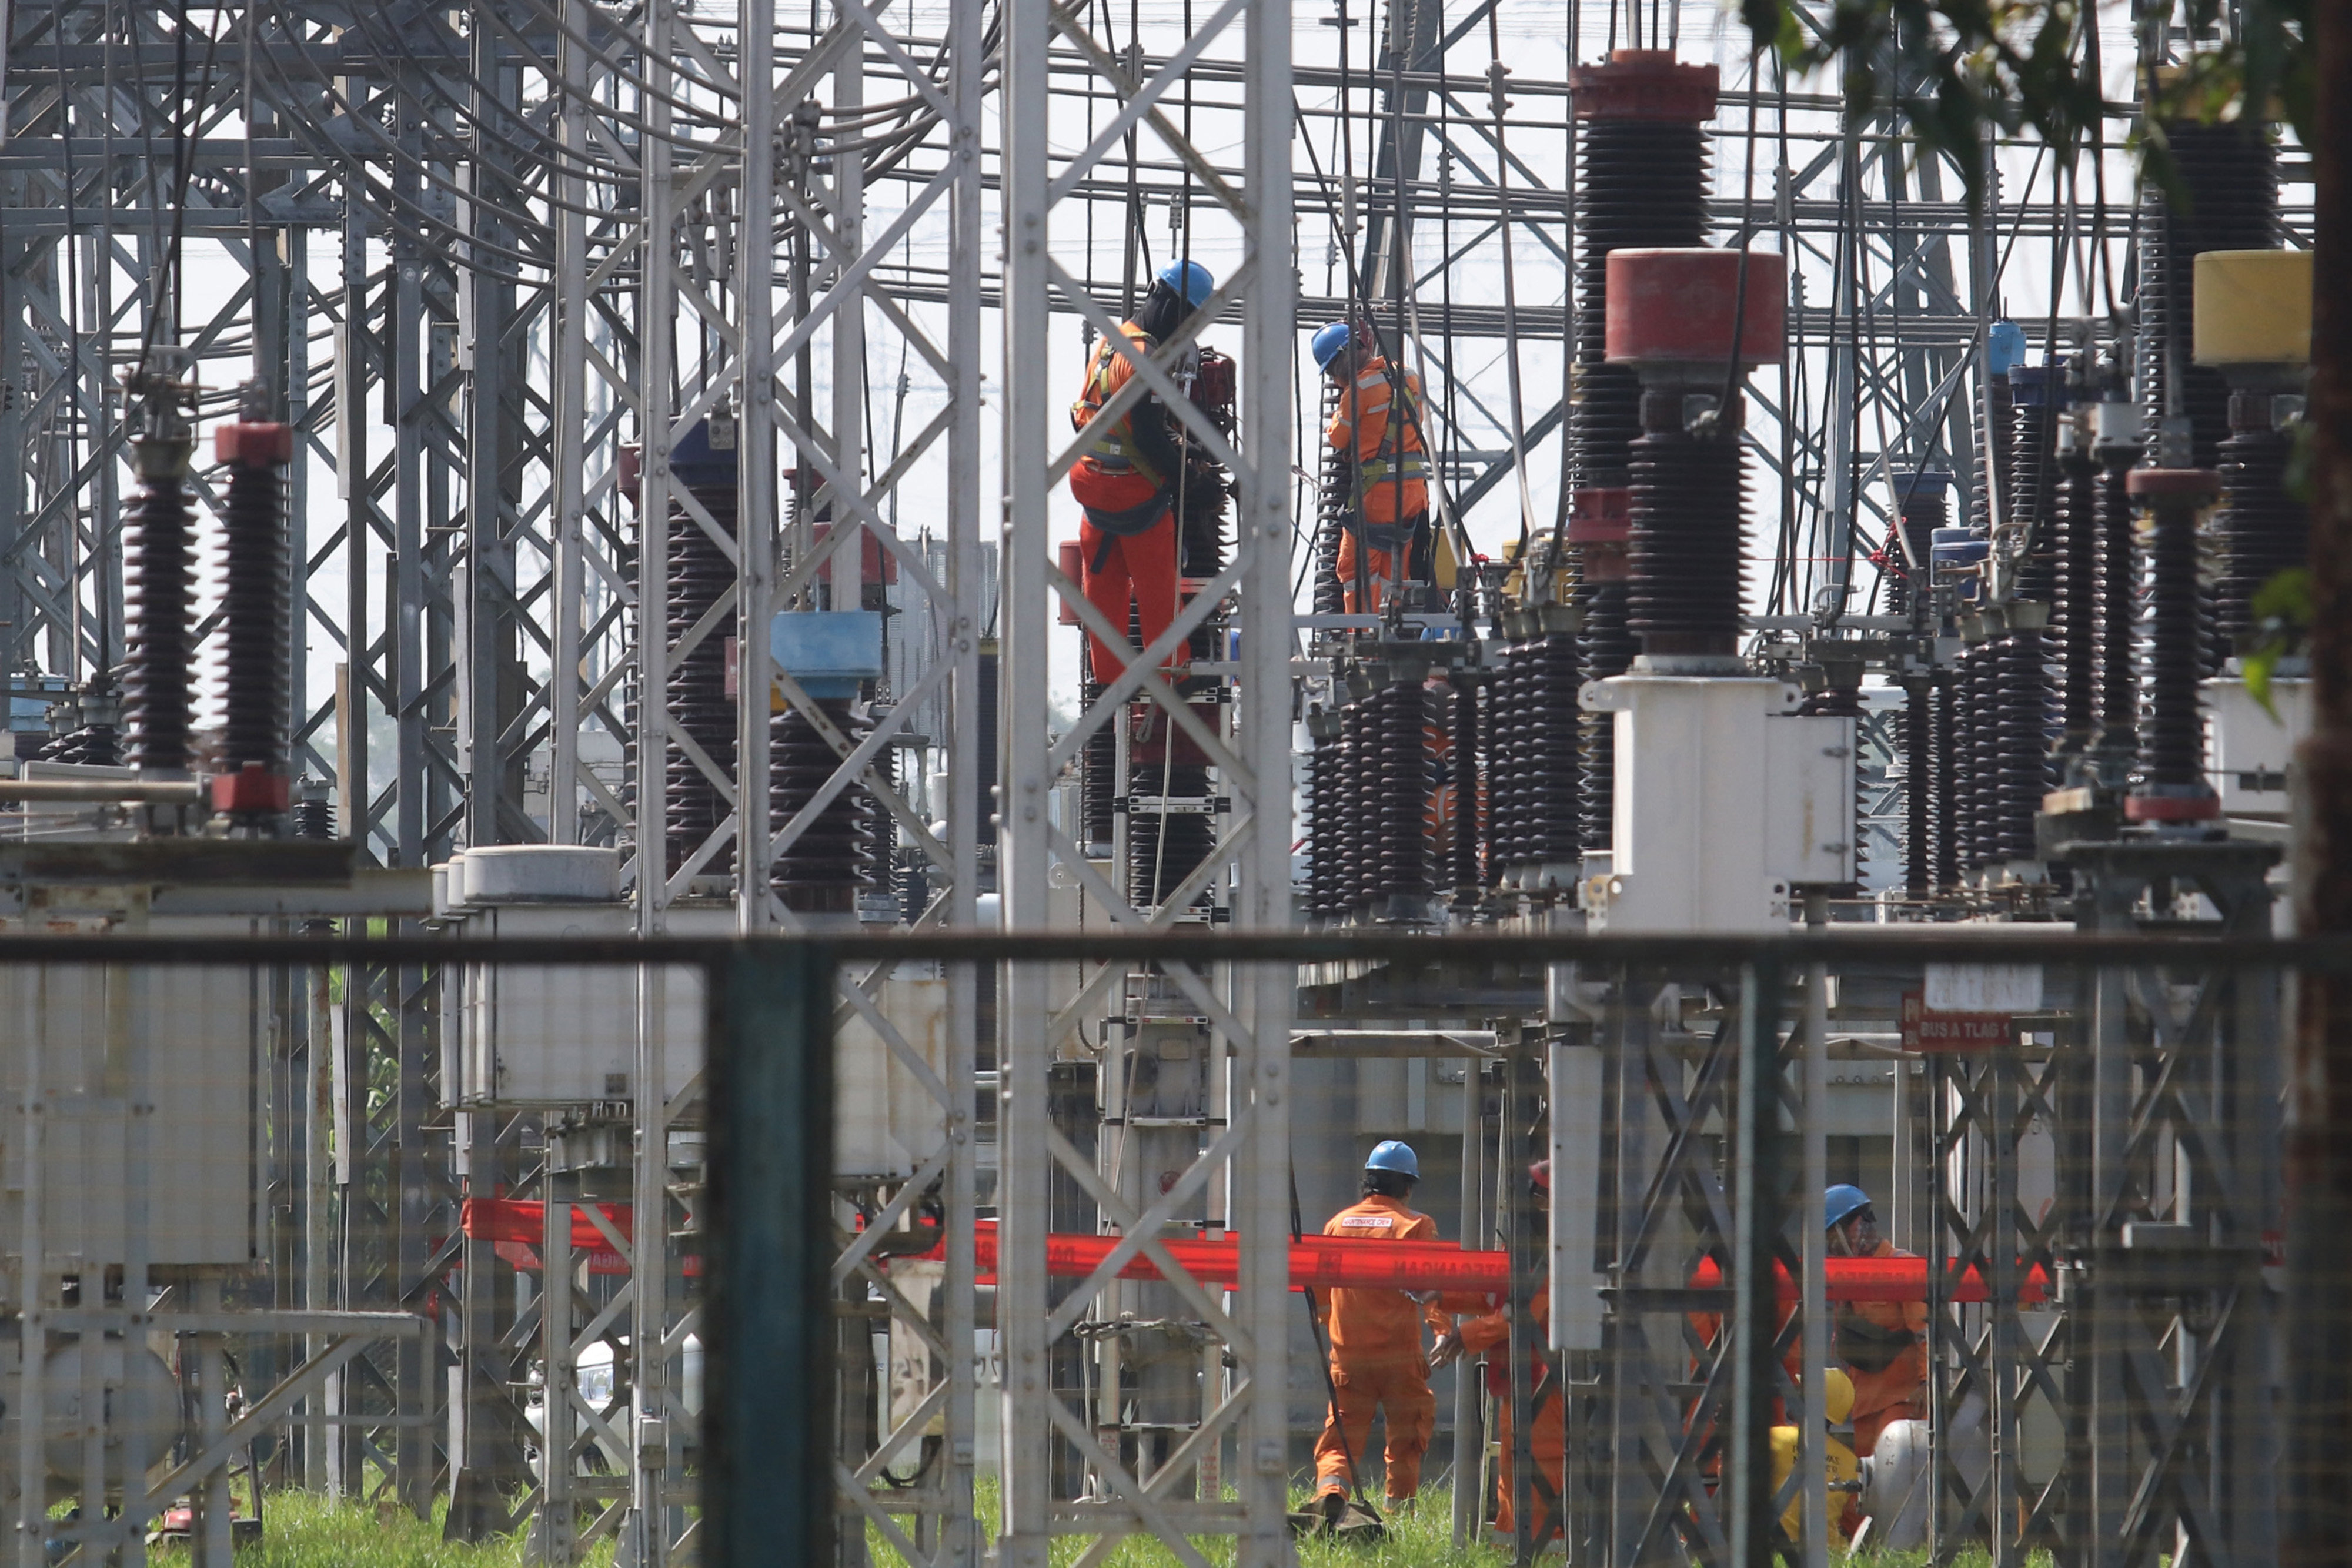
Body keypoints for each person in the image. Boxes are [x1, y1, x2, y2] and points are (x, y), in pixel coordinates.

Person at [1068, 260, 1214, 682]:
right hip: (1131, 493)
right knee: (1157, 595)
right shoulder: (1145, 357)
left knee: (1103, 591)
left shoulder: (1111, 344)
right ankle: (1172, 679)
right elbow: (1149, 438)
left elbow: (1095, 416)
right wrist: (1193, 482)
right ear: (1171, 305)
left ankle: (1109, 679)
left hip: (1091, 486)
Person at [1313, 1140, 1448, 1519]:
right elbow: (1432, 1286)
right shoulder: (1417, 1226)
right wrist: (1441, 1330)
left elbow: (1320, 1288)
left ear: (1367, 1183)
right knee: (1406, 1440)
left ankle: (1331, 1497)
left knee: (1339, 1440)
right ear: (1407, 1187)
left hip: (1349, 1359)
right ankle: (1399, 1515)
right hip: (1400, 1359)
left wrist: (1333, 1324)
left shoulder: (1338, 1224)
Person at [1432, 1161, 1562, 1540]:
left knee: (1541, 1463)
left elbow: (1521, 1313)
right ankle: (1511, 1543)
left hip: (1546, 1380)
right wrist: (1441, 1294)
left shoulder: (1560, 1255)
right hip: (1517, 1379)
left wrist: (1466, 1336)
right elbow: (1493, 1295)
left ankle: (1545, 1547)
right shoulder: (1519, 1250)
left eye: (1541, 1198)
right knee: (1511, 1467)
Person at [1315, 322, 1430, 613]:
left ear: (1339, 365)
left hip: (1378, 493)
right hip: (1415, 493)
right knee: (1395, 567)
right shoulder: (1409, 376)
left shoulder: (1357, 392)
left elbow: (1339, 438)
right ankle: (1391, 629)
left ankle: (1362, 633)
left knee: (1354, 569)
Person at [1823, 1184, 1927, 1456]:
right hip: (1864, 1409)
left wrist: (1928, 1387)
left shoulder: (1902, 1267)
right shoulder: (1847, 1277)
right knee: (1870, 1491)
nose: (1829, 1245)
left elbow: (1927, 1332)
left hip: (1900, 1405)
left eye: (1831, 1235)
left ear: (1855, 1225)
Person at [1768, 1367, 1862, 1547]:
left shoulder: (1774, 1439)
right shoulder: (1852, 1462)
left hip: (1774, 1547)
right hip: (1830, 1553)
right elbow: (1853, 1521)